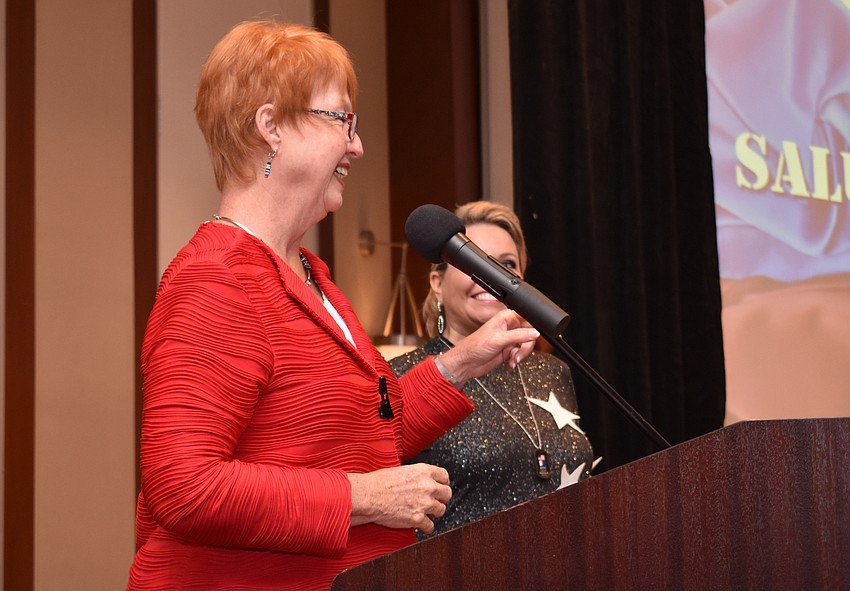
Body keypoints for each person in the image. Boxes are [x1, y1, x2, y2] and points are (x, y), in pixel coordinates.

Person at [126, 21, 540, 591]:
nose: (357, 144)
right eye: (341, 119)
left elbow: (371, 434)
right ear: (270, 126)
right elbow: (183, 485)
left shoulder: (311, 276)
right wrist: (362, 496)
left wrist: (465, 360)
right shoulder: (215, 279)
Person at [390, 201, 596, 538]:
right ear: (436, 283)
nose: (492, 277)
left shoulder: (552, 371)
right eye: (475, 261)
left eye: (507, 265)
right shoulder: (401, 376)